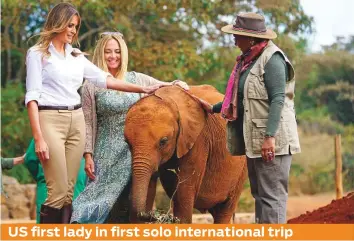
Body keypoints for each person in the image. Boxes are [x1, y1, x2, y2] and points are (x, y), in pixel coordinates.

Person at [25, 2, 161, 224]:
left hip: (76, 120)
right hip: (50, 119)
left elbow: (104, 79)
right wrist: (39, 137)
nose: (72, 31)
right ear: (57, 23)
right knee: (57, 190)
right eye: (69, 25)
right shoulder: (37, 54)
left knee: (69, 191)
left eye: (75, 27)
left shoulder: (76, 56)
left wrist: (143, 88)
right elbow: (32, 97)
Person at [70, 32, 189, 224]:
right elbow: (88, 123)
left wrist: (176, 84)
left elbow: (161, 86)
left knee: (130, 204)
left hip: (134, 152)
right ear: (101, 53)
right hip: (105, 154)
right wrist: (88, 155)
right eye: (108, 51)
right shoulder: (91, 85)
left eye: (117, 51)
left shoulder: (136, 79)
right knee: (96, 203)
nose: (113, 56)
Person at [200, 12, 301, 223]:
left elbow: (278, 99)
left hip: (273, 141)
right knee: (260, 195)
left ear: (252, 38)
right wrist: (212, 108)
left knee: (272, 197)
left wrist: (269, 137)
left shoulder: (272, 59)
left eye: (237, 35)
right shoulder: (248, 61)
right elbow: (240, 98)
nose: (234, 39)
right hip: (255, 140)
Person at [24, 138, 87, 223]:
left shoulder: (44, 130)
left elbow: (30, 159)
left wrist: (42, 177)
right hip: (77, 190)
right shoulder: (84, 131)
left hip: (49, 188)